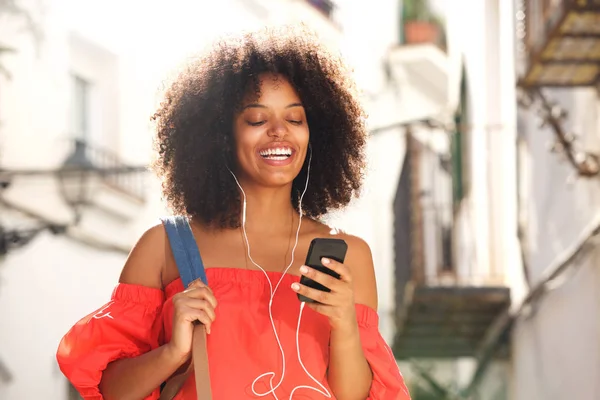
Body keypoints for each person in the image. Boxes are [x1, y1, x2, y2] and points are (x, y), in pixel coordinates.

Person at [56, 25, 411, 400]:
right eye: (257, 120)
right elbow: (111, 392)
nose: (279, 132)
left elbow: (353, 396)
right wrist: (172, 352)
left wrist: (344, 325)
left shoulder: (349, 256)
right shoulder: (164, 248)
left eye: (295, 119)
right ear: (221, 135)